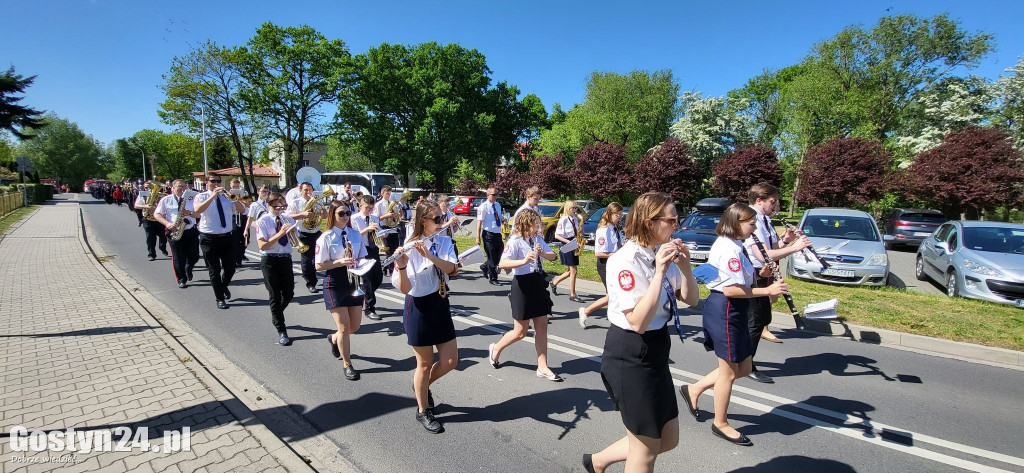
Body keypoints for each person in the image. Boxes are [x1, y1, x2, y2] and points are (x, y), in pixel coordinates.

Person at [583, 192, 698, 473]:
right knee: (645, 450)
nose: (677, 225)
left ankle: (597, 462)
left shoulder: (660, 251)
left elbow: (691, 299)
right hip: (630, 352)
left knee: (668, 439)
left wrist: (685, 267)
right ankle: (601, 462)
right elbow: (637, 321)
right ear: (649, 222)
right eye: (671, 220)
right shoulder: (625, 260)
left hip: (658, 347)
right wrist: (659, 273)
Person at [680, 203, 788, 447]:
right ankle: (721, 423)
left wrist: (760, 275)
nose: (755, 227)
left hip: (736, 309)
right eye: (751, 223)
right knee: (729, 372)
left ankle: (694, 389)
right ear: (737, 223)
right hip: (726, 309)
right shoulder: (728, 248)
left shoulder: (737, 245)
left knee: (745, 367)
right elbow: (730, 289)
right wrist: (767, 290)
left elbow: (742, 276)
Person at [391, 200, 460, 434]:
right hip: (418, 306)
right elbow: (404, 288)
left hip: (440, 302)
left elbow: (452, 268)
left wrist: (430, 256)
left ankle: (421, 385)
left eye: (442, 217)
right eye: (437, 219)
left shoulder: (444, 241)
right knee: (424, 363)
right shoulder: (409, 245)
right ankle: (423, 410)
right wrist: (401, 266)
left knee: (451, 360)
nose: (442, 222)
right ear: (423, 222)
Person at [741, 183, 810, 384]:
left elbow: (772, 248)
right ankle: (747, 366)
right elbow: (764, 256)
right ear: (759, 200)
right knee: (754, 323)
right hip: (754, 275)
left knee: (761, 319)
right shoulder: (753, 220)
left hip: (764, 274)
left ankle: (744, 362)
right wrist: (796, 248)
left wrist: (787, 241)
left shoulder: (765, 220)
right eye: (773, 201)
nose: (776, 205)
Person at [488, 209, 562, 381]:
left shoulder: (536, 239)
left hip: (537, 283)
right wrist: (522, 261)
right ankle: (496, 348)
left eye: (539, 224)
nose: (538, 227)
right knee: (520, 332)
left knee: (542, 326)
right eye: (535, 224)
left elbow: (554, 256)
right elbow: (503, 263)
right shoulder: (515, 241)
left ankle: (542, 366)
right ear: (526, 223)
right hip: (522, 284)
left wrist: (543, 253)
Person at [316, 200, 368, 378]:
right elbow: (319, 265)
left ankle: (334, 338)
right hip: (335, 283)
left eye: (348, 213)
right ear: (333, 215)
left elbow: (362, 257)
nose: (345, 217)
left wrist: (362, 264)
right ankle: (347, 364)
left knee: (355, 326)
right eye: (341, 214)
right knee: (345, 328)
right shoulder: (326, 237)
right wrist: (339, 262)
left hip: (353, 281)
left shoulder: (355, 234)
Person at [193, 175, 246, 309]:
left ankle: (222, 286)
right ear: (207, 183)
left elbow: (242, 210)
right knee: (214, 270)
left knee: (230, 268)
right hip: (208, 237)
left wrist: (232, 197)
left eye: (218, 181)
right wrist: (213, 196)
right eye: (213, 181)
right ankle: (219, 298)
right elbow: (198, 211)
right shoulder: (202, 196)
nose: (216, 183)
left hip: (226, 236)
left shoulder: (226, 197)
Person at [254, 192, 297, 346]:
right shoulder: (263, 221)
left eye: (283, 206)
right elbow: (262, 245)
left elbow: (294, 240)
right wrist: (280, 233)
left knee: (289, 293)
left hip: (285, 259)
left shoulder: (288, 219)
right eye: (277, 207)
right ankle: (281, 329)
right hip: (269, 260)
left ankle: (276, 313)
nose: (281, 210)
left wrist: (292, 232)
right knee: (275, 295)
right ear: (268, 205)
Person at [579, 202, 625, 328]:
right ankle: (586, 311)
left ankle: (617, 318)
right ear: (610, 214)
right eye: (617, 215)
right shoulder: (603, 230)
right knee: (612, 294)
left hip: (615, 264)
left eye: (621, 215)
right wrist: (615, 254)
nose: (620, 218)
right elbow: (598, 253)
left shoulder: (615, 228)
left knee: (615, 294)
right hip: (605, 265)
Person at [153, 179, 199, 288]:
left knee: (194, 256)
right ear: (173, 188)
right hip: (174, 230)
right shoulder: (166, 200)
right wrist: (167, 224)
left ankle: (189, 266)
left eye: (184, 186)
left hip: (190, 230)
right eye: (179, 186)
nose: (182, 189)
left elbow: (200, 215)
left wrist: (190, 213)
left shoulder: (192, 199)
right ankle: (181, 279)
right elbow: (157, 214)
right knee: (178, 257)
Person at [287, 182, 325, 293]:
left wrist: (323, 211)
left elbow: (325, 216)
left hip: (316, 231)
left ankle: (320, 276)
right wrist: (302, 215)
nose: (308, 192)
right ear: (301, 191)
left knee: (321, 255)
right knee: (307, 259)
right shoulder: (296, 202)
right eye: (305, 190)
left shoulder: (318, 201)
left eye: (310, 189)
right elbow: (288, 215)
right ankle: (311, 282)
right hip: (303, 232)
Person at [351, 195, 384, 321]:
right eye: (367, 208)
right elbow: (354, 236)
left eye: (371, 207)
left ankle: (365, 295)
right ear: (360, 206)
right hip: (362, 250)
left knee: (378, 277)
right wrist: (367, 229)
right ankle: (370, 308)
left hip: (373, 249)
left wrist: (382, 235)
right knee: (368, 280)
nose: (370, 210)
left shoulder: (374, 217)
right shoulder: (354, 218)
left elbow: (378, 232)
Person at [550, 199, 583, 302]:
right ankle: (572, 294)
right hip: (566, 244)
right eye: (573, 208)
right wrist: (569, 242)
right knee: (574, 270)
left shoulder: (575, 219)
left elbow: (577, 231)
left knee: (570, 271)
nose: (575, 210)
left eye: (576, 208)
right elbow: (557, 235)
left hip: (574, 242)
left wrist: (579, 238)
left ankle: (554, 282)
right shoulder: (563, 219)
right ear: (568, 209)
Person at [474, 186, 504, 285]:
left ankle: (484, 267)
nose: (495, 196)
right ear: (488, 195)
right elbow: (479, 223)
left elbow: (499, 218)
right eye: (493, 195)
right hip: (488, 234)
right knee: (491, 256)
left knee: (499, 254)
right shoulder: (483, 206)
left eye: (496, 194)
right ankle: (493, 278)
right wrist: (477, 237)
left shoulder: (498, 205)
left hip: (497, 234)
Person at [134, 186, 168, 261]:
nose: (149, 189)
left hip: (159, 218)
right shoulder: (142, 195)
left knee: (163, 235)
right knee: (150, 237)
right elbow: (136, 205)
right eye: (147, 187)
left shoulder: (162, 196)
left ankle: (162, 247)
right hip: (148, 219)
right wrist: (146, 206)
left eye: (150, 187)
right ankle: (151, 254)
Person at [374, 185, 400, 276]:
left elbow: (398, 216)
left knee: (395, 251)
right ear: (382, 193)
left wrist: (397, 215)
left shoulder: (393, 203)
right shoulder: (378, 205)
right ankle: (392, 272)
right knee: (389, 252)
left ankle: (385, 265)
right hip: (384, 229)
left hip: (393, 228)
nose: (389, 195)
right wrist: (386, 216)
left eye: (390, 193)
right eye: (387, 193)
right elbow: (375, 219)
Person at [228, 178, 250, 267]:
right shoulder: (227, 194)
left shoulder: (244, 193)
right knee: (235, 239)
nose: (236, 188)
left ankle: (241, 253)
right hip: (233, 217)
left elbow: (248, 204)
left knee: (246, 239)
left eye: (237, 186)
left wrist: (241, 199)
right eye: (234, 186)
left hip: (243, 216)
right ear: (230, 186)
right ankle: (237, 259)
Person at [243, 186, 271, 251]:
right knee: (263, 245)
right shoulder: (254, 204)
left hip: (270, 226)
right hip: (261, 227)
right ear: (258, 192)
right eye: (263, 191)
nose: (265, 193)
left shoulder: (269, 204)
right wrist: (246, 229)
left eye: (266, 192)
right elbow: (250, 218)